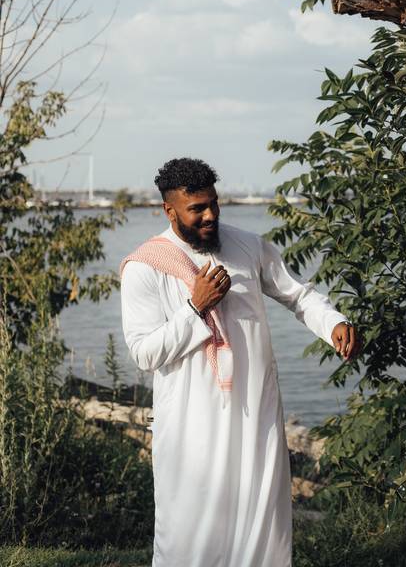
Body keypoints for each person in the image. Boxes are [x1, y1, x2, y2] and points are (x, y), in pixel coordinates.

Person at [120, 158, 360, 567]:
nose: (210, 216)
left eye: (214, 204)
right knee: (188, 535)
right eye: (196, 209)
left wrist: (333, 321)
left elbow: (298, 296)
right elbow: (144, 353)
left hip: (255, 417)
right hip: (189, 427)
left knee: (262, 528)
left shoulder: (249, 246)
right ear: (169, 210)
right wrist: (195, 308)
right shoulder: (145, 267)